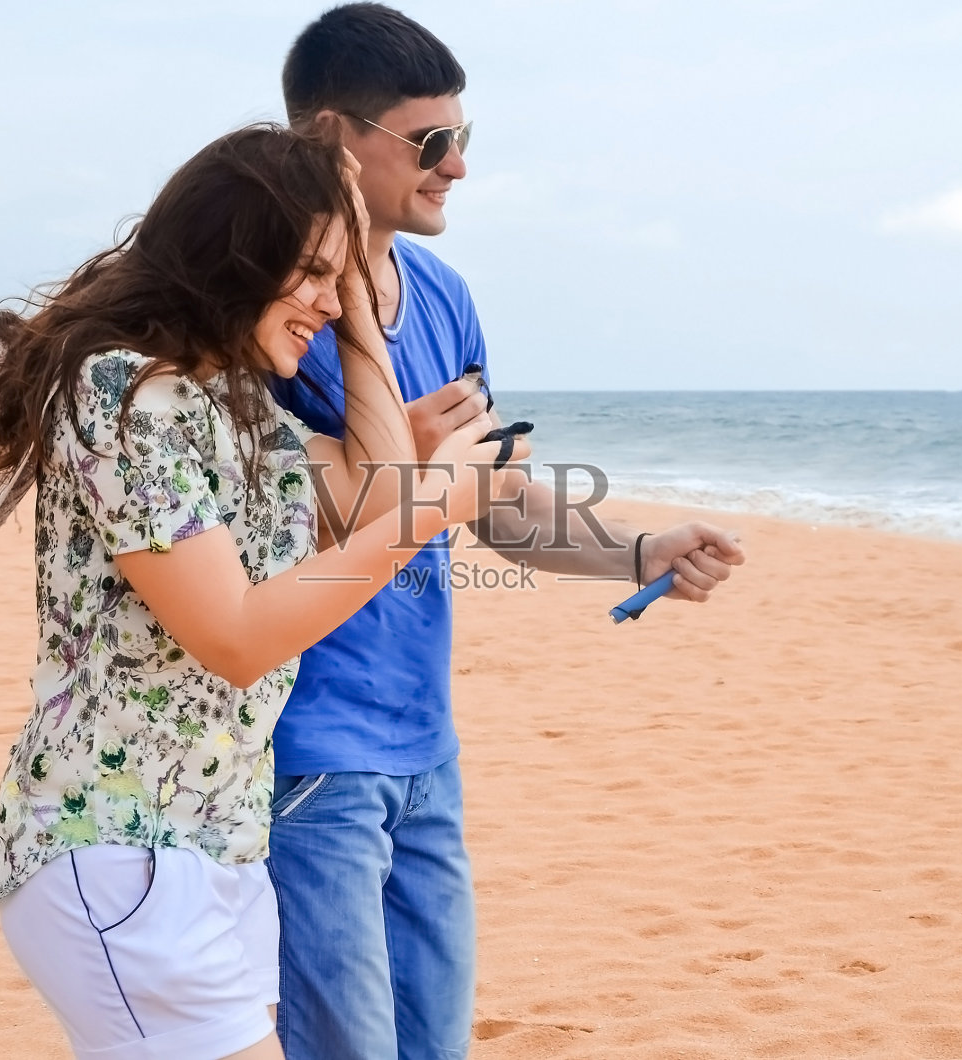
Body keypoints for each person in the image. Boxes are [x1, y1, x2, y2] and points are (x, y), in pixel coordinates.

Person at [0, 126, 525, 1060]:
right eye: (303, 272)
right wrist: (435, 509)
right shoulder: (124, 393)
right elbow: (237, 634)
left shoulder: (240, 404)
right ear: (233, 258)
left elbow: (378, 489)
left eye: (334, 276)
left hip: (212, 848)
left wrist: (355, 317)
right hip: (120, 846)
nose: (322, 299)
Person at [267, 6, 747, 1059]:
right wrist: (388, 472)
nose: (456, 169)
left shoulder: (445, 295)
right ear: (332, 138)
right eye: (430, 144)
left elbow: (490, 505)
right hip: (301, 753)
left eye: (464, 140)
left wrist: (635, 548)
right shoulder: (274, 306)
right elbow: (234, 519)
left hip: (423, 743)